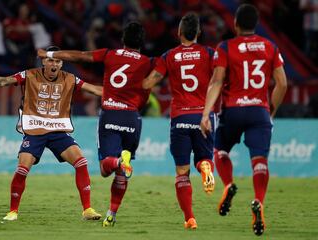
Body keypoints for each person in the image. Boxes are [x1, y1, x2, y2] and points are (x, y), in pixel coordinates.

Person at [0, 46, 102, 222]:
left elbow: (96, 90)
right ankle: (13, 211)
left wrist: (120, 95)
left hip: (58, 130)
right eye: (51, 60)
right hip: (34, 130)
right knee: (23, 168)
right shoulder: (29, 75)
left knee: (81, 161)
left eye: (58, 61)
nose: (54, 64)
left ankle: (87, 210)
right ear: (44, 61)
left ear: (62, 64)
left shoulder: (70, 78)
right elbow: (4, 81)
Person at [38, 22, 152, 227]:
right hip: (132, 117)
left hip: (111, 114)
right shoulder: (146, 62)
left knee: (105, 167)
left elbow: (81, 56)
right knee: (122, 174)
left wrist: (53, 55)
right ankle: (112, 214)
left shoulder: (110, 54)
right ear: (142, 43)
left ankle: (118, 162)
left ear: (123, 39)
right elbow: (146, 91)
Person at [199, 4, 287, 236]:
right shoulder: (270, 46)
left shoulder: (226, 47)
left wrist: (206, 113)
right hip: (259, 111)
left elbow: (217, 81)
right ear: (256, 24)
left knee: (220, 150)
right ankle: (258, 201)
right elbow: (282, 83)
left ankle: (228, 184)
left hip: (233, 110)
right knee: (260, 161)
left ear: (235, 24)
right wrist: (271, 112)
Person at [142, 13, 215, 230]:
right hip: (203, 116)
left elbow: (149, 83)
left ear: (179, 32)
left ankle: (190, 218)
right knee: (205, 157)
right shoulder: (209, 53)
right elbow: (222, 77)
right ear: (199, 33)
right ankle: (205, 166)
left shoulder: (169, 56)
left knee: (182, 172)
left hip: (180, 118)